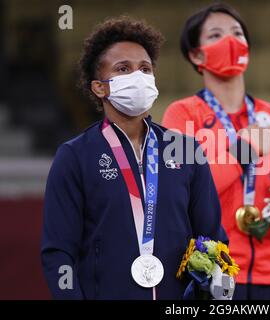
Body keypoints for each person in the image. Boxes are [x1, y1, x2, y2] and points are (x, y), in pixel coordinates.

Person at [40, 17, 227, 300]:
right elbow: (59, 252)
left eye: (145, 68)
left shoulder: (186, 150)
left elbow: (213, 238)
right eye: (123, 69)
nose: (137, 76)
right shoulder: (75, 156)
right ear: (99, 87)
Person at [162, 3, 270, 300]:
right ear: (196, 54)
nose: (230, 41)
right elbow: (179, 191)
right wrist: (245, 150)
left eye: (237, 33)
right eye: (216, 35)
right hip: (212, 272)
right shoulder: (181, 116)